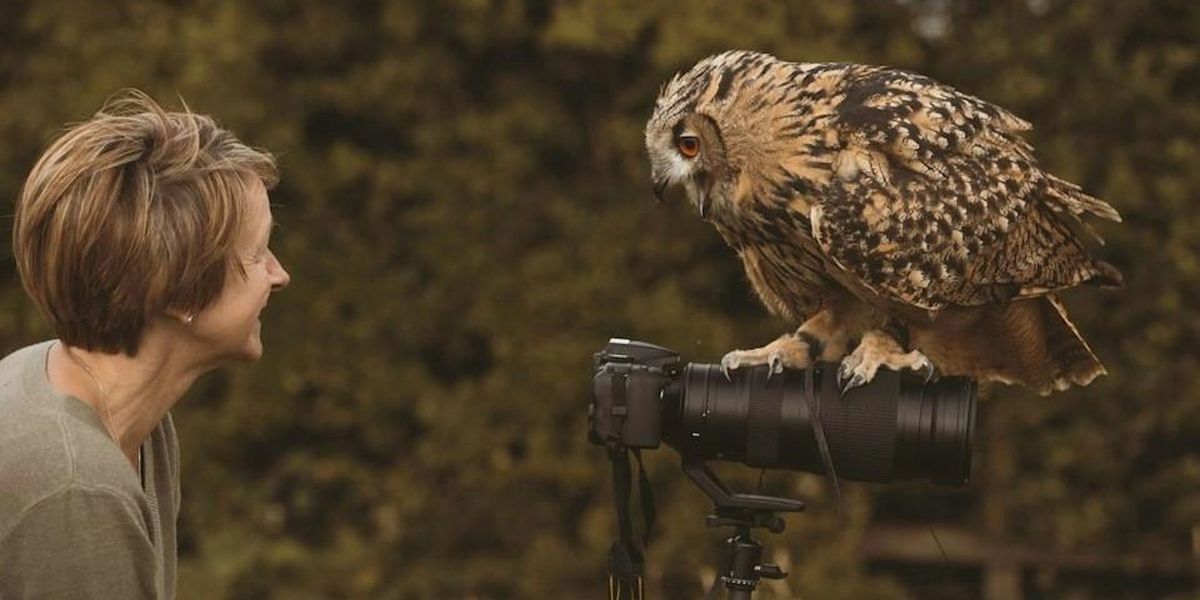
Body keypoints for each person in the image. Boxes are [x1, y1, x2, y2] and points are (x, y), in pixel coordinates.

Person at [0, 90, 290, 599]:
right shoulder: (76, 491)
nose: (279, 274)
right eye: (258, 252)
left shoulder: (119, 417)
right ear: (178, 290)